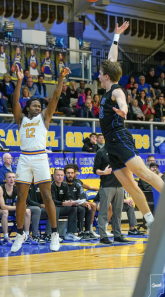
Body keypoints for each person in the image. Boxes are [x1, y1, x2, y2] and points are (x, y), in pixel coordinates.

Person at [98, 21, 164, 230]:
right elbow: (112, 59)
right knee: (129, 184)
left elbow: (123, 102)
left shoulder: (116, 91)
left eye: (100, 73)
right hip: (111, 143)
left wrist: (124, 110)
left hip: (119, 136)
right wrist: (116, 36)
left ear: (106, 77)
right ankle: (151, 221)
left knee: (144, 174)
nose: (98, 75)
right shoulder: (110, 83)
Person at [11, 65, 71, 253]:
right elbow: (14, 102)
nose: (38, 107)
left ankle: (54, 234)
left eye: (39, 106)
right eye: (34, 105)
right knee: (21, 197)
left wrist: (61, 78)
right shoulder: (21, 119)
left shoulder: (44, 118)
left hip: (40, 157)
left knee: (47, 195)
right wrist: (20, 81)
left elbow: (55, 97)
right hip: (24, 158)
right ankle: (20, 233)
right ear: (28, 108)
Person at [93, 146, 131, 245]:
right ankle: (103, 237)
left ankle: (117, 235)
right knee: (104, 212)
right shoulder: (101, 152)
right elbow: (95, 170)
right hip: (106, 186)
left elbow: (126, 168)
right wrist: (104, 172)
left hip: (120, 185)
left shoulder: (120, 150)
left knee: (118, 213)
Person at [0, 172, 32, 246]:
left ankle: (26, 236)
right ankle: (6, 237)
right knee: (5, 212)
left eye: (14, 177)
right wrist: (18, 207)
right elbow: (3, 206)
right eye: (9, 177)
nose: (12, 179)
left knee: (27, 211)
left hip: (10, 209)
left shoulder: (16, 188)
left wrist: (21, 206)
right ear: (5, 180)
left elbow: (23, 202)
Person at [64, 165, 98, 240]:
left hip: (78, 203)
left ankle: (88, 231)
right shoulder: (63, 184)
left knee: (88, 208)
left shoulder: (77, 182)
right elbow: (66, 198)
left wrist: (83, 202)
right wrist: (79, 203)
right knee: (81, 208)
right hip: (70, 205)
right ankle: (81, 232)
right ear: (65, 174)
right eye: (68, 173)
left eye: (72, 173)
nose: (70, 175)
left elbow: (80, 195)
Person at [51, 168, 80, 241]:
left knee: (73, 208)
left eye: (61, 175)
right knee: (55, 209)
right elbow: (52, 201)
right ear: (53, 176)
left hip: (62, 207)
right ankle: (55, 234)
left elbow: (67, 197)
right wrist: (63, 203)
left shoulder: (64, 185)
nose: (60, 177)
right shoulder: (51, 185)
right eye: (58, 175)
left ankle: (70, 233)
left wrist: (72, 202)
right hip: (53, 208)